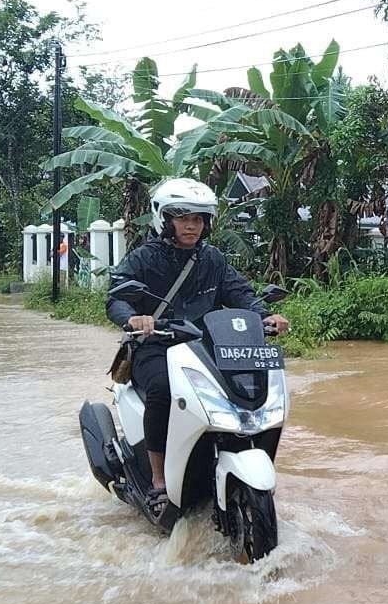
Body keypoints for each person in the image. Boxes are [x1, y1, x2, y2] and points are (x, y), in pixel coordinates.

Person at [106, 178, 289, 519]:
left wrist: (265, 315)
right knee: (163, 390)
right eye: (183, 218)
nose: (191, 225)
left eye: (198, 219)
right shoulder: (143, 258)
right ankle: (159, 481)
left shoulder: (212, 259)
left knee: (242, 389)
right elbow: (116, 296)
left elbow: (240, 293)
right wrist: (134, 318)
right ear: (165, 219)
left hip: (204, 347)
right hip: (156, 346)